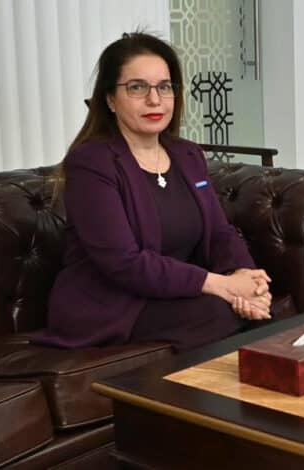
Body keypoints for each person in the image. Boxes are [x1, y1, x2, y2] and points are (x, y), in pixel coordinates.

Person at [35, 32, 272, 352]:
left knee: (256, 308)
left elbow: (219, 232)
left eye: (164, 86)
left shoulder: (187, 155)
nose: (154, 100)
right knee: (221, 313)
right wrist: (222, 285)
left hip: (173, 294)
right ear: (110, 99)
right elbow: (124, 262)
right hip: (113, 304)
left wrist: (246, 276)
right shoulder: (91, 162)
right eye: (137, 87)